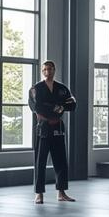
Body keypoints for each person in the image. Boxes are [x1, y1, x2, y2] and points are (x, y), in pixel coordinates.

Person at [29, 60, 77, 204]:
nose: (47, 72)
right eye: (44, 70)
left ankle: (61, 192)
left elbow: (72, 104)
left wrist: (59, 107)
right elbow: (37, 107)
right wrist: (58, 107)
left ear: (54, 70)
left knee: (61, 160)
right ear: (42, 72)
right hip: (43, 127)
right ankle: (39, 194)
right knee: (40, 161)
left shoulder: (62, 88)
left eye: (50, 69)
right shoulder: (36, 88)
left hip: (58, 127)